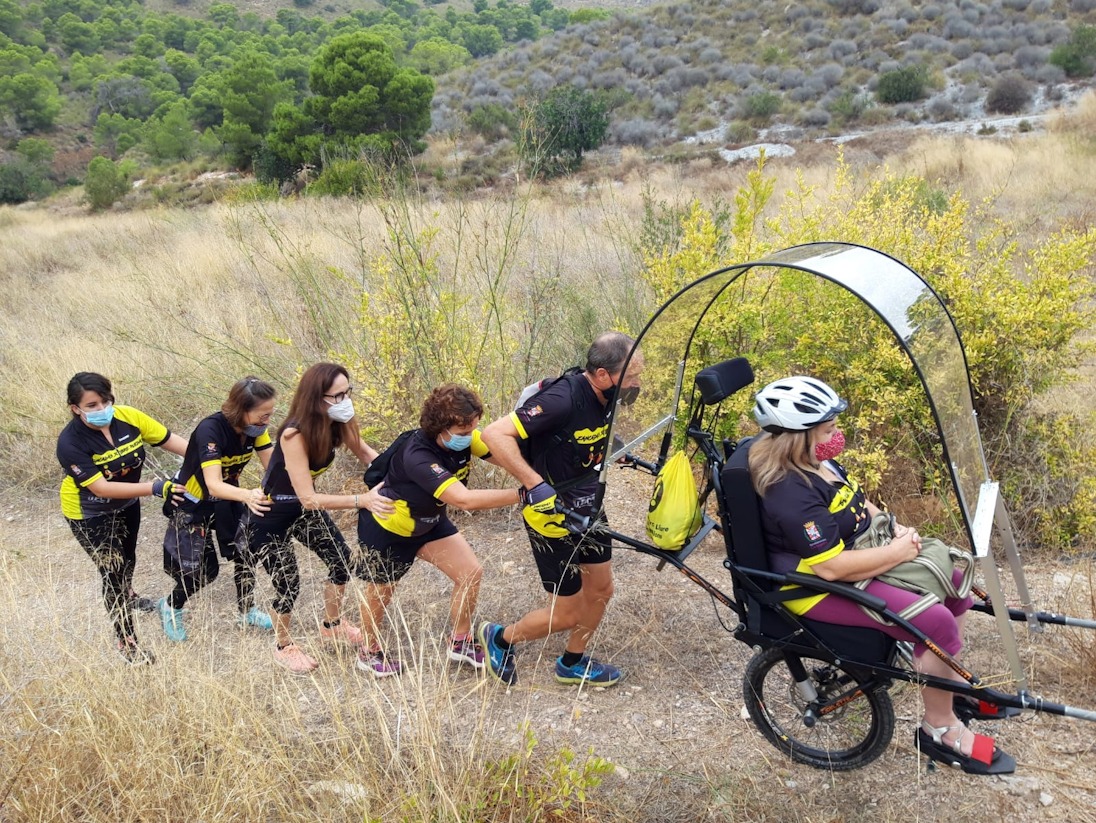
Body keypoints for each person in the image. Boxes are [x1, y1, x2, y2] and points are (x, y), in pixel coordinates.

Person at [748, 375, 1016, 775]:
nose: (837, 435)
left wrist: (892, 528)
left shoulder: (816, 461)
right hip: (814, 586)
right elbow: (828, 567)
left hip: (855, 556)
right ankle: (938, 729)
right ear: (796, 437)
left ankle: (943, 685)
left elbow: (858, 500)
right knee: (936, 623)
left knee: (955, 584)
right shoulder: (790, 491)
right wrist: (894, 553)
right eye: (828, 429)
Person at [478, 331, 643, 687]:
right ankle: (501, 637)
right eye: (630, 377)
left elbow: (583, 433)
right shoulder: (562, 398)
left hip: (590, 505)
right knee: (567, 612)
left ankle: (572, 661)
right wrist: (534, 483)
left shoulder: (605, 396)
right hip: (550, 514)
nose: (636, 383)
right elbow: (494, 434)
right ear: (602, 375)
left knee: (601, 590)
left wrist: (612, 447)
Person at [236, 362, 394, 674]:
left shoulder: (338, 420)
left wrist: (400, 476)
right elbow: (309, 498)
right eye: (337, 395)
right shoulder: (295, 434)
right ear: (316, 397)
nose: (345, 400)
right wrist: (362, 500)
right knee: (287, 582)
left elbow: (365, 453)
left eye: (348, 392)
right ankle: (283, 646)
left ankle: (332, 625)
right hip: (272, 513)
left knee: (341, 560)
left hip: (301, 510)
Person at [356, 384, 521, 677]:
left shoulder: (465, 436)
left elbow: (505, 455)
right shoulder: (417, 454)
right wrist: (524, 494)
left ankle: (459, 641)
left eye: (473, 429)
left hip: (429, 521)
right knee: (381, 593)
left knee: (470, 573)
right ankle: (368, 651)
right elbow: (463, 499)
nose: (470, 436)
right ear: (439, 428)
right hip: (390, 526)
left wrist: (538, 474)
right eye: (462, 432)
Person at [57, 372, 189, 665]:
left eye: (105, 401)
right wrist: (156, 487)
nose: (101, 408)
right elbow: (99, 487)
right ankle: (127, 642)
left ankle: (129, 595)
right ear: (75, 408)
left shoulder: (128, 417)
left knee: (128, 558)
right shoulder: (70, 443)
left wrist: (205, 460)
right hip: (88, 512)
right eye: (92, 405)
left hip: (127, 503)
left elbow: (171, 441)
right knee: (112, 572)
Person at [156, 377, 279, 642]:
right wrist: (248, 495)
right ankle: (170, 606)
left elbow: (273, 468)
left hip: (229, 497)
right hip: (193, 500)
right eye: (263, 415)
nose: (267, 421)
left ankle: (247, 611)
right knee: (203, 571)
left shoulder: (256, 429)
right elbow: (212, 484)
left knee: (247, 552)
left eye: (270, 414)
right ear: (242, 409)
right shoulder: (210, 430)